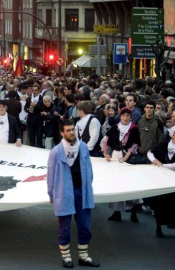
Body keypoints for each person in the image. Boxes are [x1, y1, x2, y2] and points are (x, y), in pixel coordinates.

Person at [47, 119, 100, 269]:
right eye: (68, 130)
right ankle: (66, 257)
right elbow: (50, 175)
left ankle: (83, 256)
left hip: (81, 192)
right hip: (64, 192)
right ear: (62, 133)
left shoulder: (83, 147)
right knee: (64, 226)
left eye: (73, 129)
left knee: (84, 225)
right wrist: (51, 194)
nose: (71, 133)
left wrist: (88, 187)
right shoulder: (56, 151)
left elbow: (89, 169)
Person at [147, 125, 175, 238]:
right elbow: (150, 152)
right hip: (163, 179)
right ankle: (159, 227)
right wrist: (155, 160)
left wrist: (162, 165)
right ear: (172, 134)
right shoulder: (164, 144)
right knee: (160, 203)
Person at [102, 107, 141, 222]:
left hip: (128, 158)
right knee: (117, 184)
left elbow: (134, 145)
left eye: (127, 115)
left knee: (130, 184)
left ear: (130, 117)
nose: (125, 117)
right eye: (123, 115)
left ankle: (133, 212)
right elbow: (105, 141)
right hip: (115, 156)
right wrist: (106, 153)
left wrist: (125, 158)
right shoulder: (115, 128)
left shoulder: (134, 129)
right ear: (120, 116)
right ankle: (116, 212)